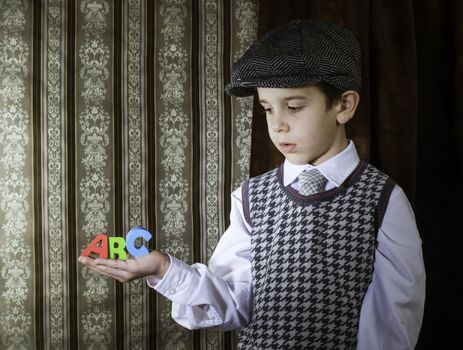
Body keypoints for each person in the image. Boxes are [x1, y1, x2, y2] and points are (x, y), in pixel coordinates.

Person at [79, 19, 425, 349]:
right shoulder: (250, 198)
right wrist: (164, 268)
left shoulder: (382, 200)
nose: (278, 125)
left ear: (344, 106)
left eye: (293, 107)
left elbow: (391, 326)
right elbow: (232, 303)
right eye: (268, 109)